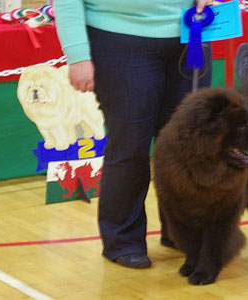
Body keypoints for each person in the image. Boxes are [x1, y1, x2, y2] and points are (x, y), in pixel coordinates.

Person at [54, 0, 215, 268]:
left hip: (191, 32)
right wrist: (78, 55)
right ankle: (122, 240)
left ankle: (181, 231)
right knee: (130, 145)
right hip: (118, 42)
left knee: (189, 147)